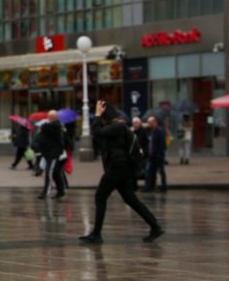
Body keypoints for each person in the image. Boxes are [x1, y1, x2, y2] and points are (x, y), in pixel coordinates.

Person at [79, 101, 164, 244]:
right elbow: (100, 134)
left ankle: (96, 234)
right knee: (130, 199)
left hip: (117, 167)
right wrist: (99, 116)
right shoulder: (117, 126)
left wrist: (97, 115)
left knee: (100, 196)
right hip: (121, 168)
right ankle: (155, 227)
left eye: (102, 115)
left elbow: (96, 132)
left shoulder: (117, 126)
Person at [34, 111, 65, 199]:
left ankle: (46, 192)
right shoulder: (51, 126)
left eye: (50, 117)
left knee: (49, 172)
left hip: (53, 154)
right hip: (48, 153)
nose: (49, 118)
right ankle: (61, 190)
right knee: (55, 173)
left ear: (54, 117)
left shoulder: (55, 126)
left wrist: (43, 126)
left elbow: (44, 128)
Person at [144, 116, 167, 192]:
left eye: (150, 123)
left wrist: (159, 153)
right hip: (151, 154)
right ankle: (150, 186)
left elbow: (162, 144)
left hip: (158, 155)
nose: (149, 124)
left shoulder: (159, 131)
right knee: (151, 171)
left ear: (154, 122)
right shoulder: (150, 131)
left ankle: (163, 186)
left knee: (160, 171)